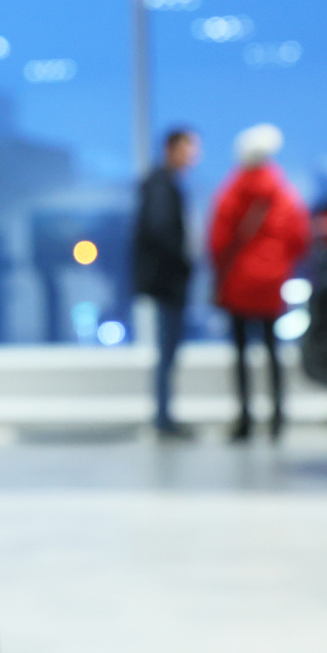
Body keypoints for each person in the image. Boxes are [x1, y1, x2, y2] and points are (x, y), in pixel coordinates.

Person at [208, 124, 310, 441]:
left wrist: (221, 274)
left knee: (241, 354)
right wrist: (279, 265)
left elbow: (217, 242)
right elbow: (300, 237)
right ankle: (278, 418)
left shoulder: (230, 193)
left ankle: (245, 419)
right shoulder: (283, 194)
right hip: (271, 283)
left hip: (238, 283)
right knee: (272, 352)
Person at [134, 128, 200, 439]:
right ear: (172, 149)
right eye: (189, 148)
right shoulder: (162, 185)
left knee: (169, 350)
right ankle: (163, 418)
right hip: (167, 281)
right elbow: (161, 232)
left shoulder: (163, 183)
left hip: (166, 279)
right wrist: (183, 261)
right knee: (167, 350)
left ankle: (165, 416)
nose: (194, 155)